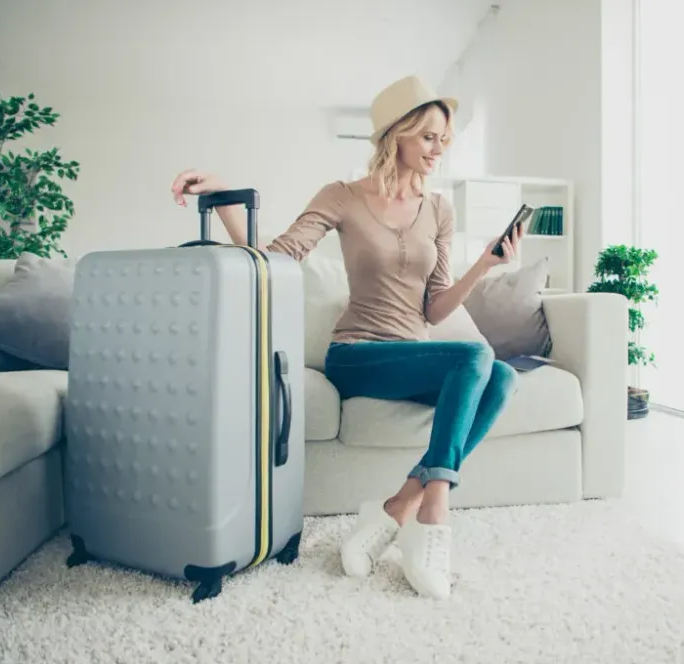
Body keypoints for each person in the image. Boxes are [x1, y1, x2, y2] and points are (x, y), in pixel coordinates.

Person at [169, 75, 522, 599]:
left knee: (502, 376)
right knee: (476, 356)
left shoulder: (440, 209)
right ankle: (434, 514)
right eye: (428, 137)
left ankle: (399, 506)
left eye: (443, 140)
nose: (437, 150)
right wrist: (224, 197)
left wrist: (485, 267)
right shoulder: (343, 196)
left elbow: (435, 306)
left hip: (412, 352)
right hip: (357, 355)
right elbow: (276, 259)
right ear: (397, 135)